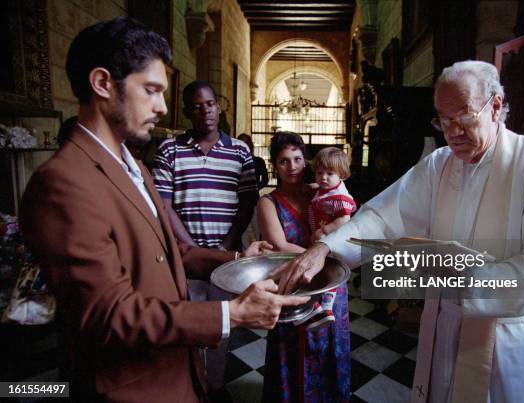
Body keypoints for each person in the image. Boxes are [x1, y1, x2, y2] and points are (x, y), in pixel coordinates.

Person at [18, 18, 308, 403]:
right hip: (130, 386)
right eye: (151, 90)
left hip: (175, 373)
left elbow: (174, 251)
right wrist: (231, 315)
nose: (163, 107)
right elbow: (110, 313)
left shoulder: (131, 164)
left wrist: (239, 259)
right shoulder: (63, 183)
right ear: (103, 83)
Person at [275, 61, 524, 403]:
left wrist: (459, 281)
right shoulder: (440, 164)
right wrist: (325, 248)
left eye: (462, 117)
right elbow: (384, 217)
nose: (451, 132)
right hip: (443, 327)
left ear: (495, 106)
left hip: (501, 337)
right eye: (442, 120)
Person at [152, 81, 260, 396]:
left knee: (222, 327)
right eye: (197, 106)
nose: (206, 111)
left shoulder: (239, 151)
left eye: (210, 104)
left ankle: (212, 387)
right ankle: (186, 386)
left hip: (227, 261)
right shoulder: (169, 150)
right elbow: (163, 204)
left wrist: (225, 246)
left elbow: (248, 202)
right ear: (186, 111)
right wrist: (193, 249)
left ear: (219, 106)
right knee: (187, 324)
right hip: (184, 259)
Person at [256, 132, 351, 402]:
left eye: (297, 159)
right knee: (294, 354)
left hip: (329, 286)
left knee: (328, 352)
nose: (293, 166)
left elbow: (346, 219)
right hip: (292, 288)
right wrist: (325, 257)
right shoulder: (268, 202)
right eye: (284, 161)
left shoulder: (320, 192)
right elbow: (280, 245)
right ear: (275, 165)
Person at [303, 146, 356, 329]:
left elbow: (344, 219)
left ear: (341, 175)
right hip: (323, 238)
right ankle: (316, 304)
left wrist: (324, 232)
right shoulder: (327, 188)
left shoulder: (340, 196)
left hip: (332, 241)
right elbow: (323, 186)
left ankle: (326, 305)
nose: (323, 177)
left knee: (328, 271)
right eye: (319, 173)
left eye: (329, 173)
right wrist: (316, 186)